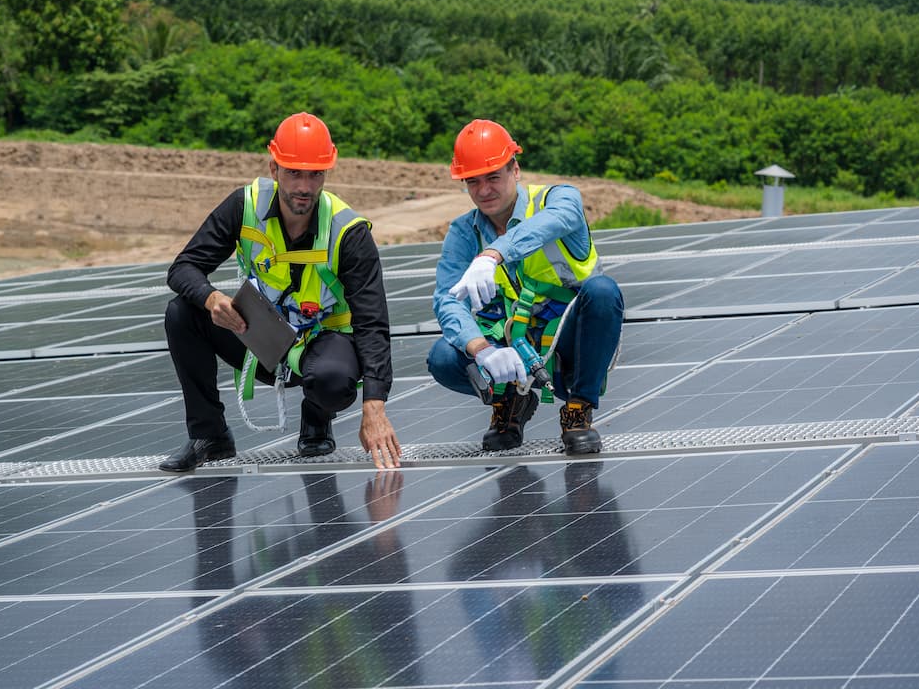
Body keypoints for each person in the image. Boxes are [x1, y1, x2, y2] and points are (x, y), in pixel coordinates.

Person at [160, 111, 402, 472]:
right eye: (294, 173)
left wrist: (375, 407)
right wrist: (212, 299)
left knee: (332, 382)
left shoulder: (348, 230)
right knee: (182, 312)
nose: (304, 186)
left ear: (326, 173)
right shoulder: (245, 206)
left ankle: (317, 416)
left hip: (324, 342)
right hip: (262, 337)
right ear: (274, 169)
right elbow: (183, 268)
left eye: (314, 174)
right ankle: (210, 435)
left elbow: (373, 323)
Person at [427, 119, 624, 455]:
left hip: (570, 345)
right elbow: (447, 301)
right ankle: (510, 403)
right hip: (511, 347)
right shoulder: (463, 233)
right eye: (473, 182)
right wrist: (482, 350)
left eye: (493, 177)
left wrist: (493, 255)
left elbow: (555, 221)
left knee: (604, 291)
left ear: (515, 169)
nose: (484, 190)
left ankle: (578, 409)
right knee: (443, 356)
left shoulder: (558, 200)